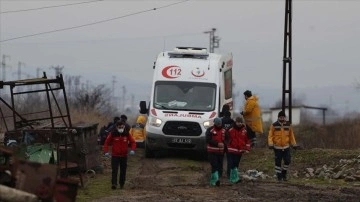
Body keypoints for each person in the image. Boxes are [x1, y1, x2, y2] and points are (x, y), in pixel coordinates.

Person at [103, 120, 136, 189]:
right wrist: (106, 151)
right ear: (117, 127)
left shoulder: (127, 134)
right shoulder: (112, 134)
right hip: (115, 156)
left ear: (124, 126)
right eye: (119, 127)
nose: (121, 128)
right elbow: (106, 143)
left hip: (124, 156)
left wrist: (133, 150)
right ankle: (114, 184)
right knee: (114, 170)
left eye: (122, 127)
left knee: (123, 171)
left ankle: (122, 184)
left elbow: (133, 142)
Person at [268, 111, 298, 182]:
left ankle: (284, 173)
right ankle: (279, 177)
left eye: (283, 117)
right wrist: (270, 144)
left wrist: (294, 144)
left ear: (285, 117)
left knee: (287, 161)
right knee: (278, 163)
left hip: (286, 147)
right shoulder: (274, 125)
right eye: (280, 117)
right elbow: (270, 135)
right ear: (278, 117)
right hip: (277, 147)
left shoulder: (288, 125)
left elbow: (291, 136)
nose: (282, 118)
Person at [225, 117, 250, 183]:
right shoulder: (230, 129)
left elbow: (247, 140)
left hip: (240, 151)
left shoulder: (244, 131)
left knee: (236, 164)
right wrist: (228, 144)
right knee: (231, 164)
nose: (239, 124)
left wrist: (247, 149)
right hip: (231, 149)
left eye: (240, 122)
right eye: (238, 122)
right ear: (235, 122)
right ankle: (232, 178)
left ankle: (235, 177)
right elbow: (225, 137)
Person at [206, 117, 226, 186]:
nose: (219, 125)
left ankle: (218, 178)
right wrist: (217, 144)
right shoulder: (210, 130)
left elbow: (227, 140)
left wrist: (225, 148)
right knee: (214, 165)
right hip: (212, 151)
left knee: (220, 166)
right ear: (215, 123)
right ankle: (214, 180)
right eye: (218, 124)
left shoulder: (224, 131)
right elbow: (208, 139)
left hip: (221, 152)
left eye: (220, 124)